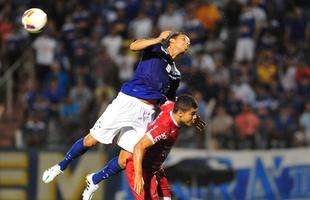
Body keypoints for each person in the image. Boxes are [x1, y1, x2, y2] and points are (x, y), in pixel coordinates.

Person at [42, 31, 191, 189]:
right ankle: (61, 166)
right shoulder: (156, 48)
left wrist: (184, 114)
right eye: (183, 39)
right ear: (172, 41)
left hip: (147, 112)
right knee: (91, 141)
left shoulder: (176, 74)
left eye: (188, 42)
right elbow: (134, 46)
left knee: (127, 158)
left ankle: (94, 180)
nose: (187, 43)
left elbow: (168, 99)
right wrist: (158, 38)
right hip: (127, 101)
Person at [129, 95, 203, 199]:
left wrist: (192, 119)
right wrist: (138, 175)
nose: (195, 117)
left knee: (167, 196)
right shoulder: (164, 127)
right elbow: (139, 146)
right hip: (142, 168)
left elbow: (161, 98)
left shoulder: (173, 107)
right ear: (180, 113)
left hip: (155, 167)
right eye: (193, 114)